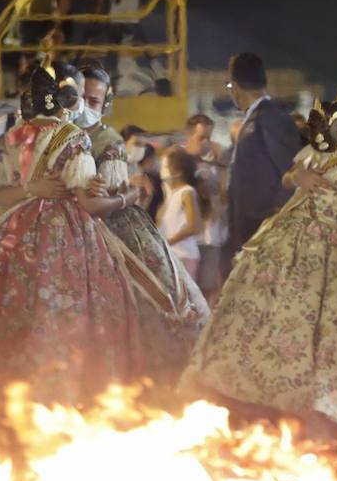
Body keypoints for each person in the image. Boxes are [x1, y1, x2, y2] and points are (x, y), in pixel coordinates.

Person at [0, 66, 159, 423]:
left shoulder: (10, 136)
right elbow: (89, 204)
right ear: (66, 99)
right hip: (63, 240)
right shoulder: (72, 137)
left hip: (4, 232)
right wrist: (128, 197)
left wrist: (28, 191)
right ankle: (62, 402)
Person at [184, 102, 337, 439]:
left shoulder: (316, 161)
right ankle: (316, 414)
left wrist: (297, 176)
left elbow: (289, 176)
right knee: (329, 336)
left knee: (273, 323)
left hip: (284, 246)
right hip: (331, 256)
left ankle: (261, 402)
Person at [79, 65, 207, 373]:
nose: (84, 107)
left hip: (105, 224)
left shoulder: (107, 139)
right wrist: (129, 197)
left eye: (93, 101)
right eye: (80, 97)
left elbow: (107, 195)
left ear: (105, 103)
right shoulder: (61, 134)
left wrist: (127, 197)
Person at [222, 52, 302, 277]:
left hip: (265, 235)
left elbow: (291, 171)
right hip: (249, 233)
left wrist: (272, 225)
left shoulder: (271, 117)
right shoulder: (256, 117)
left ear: (235, 86)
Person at [179, 113, 230, 295]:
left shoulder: (214, 161)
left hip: (211, 234)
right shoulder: (177, 159)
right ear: (188, 136)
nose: (206, 142)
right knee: (186, 290)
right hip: (186, 236)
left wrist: (221, 165)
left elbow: (224, 195)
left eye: (209, 137)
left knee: (208, 287)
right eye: (201, 138)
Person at [159, 150, 208, 282]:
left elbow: (193, 226)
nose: (165, 169)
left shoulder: (187, 192)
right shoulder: (171, 194)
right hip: (170, 254)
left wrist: (168, 242)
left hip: (184, 254)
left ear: (178, 171)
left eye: (168, 166)